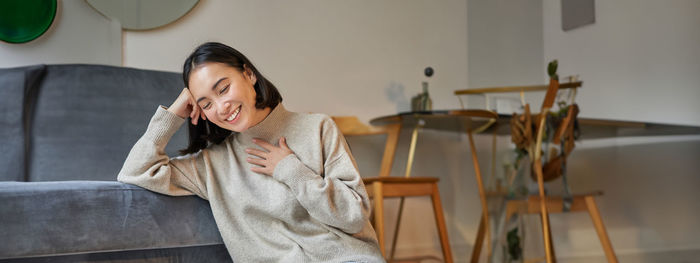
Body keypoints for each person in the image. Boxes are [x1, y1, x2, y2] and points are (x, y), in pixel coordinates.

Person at [118, 42, 384, 262]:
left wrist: (291, 170)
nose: (221, 107)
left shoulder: (317, 128)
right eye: (206, 104)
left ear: (249, 74)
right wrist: (172, 115)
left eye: (223, 89)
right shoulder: (212, 164)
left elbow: (354, 217)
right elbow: (135, 172)